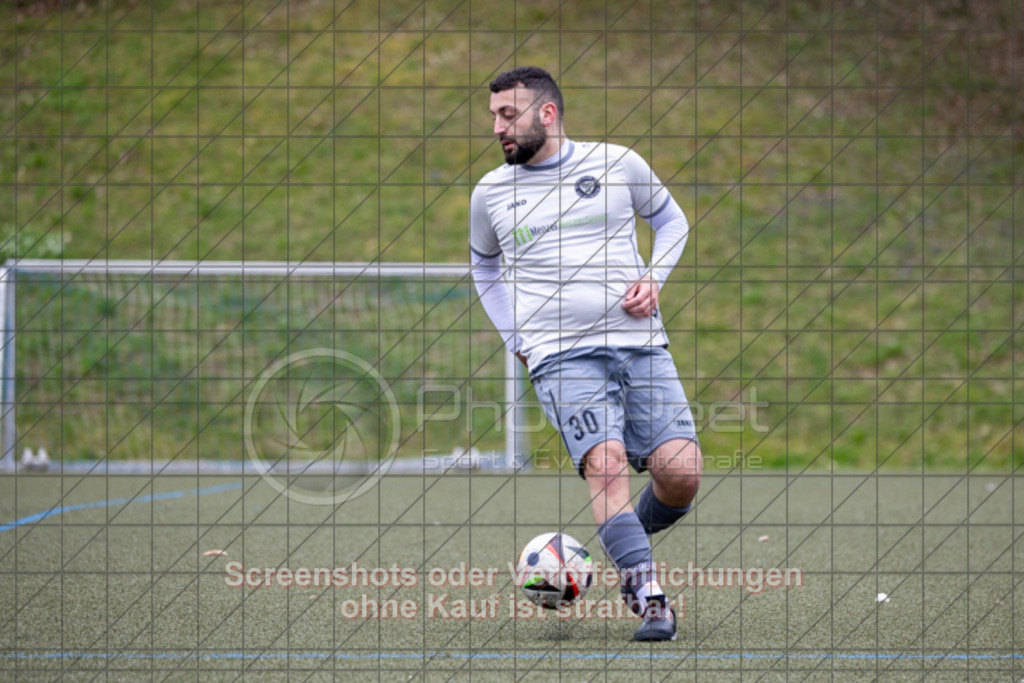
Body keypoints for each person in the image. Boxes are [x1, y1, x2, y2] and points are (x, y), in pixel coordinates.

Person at [469, 66, 702, 643]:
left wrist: (655, 276)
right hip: (558, 356)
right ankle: (649, 596)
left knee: (681, 475)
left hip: (639, 343)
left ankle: (622, 543)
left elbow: (672, 221)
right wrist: (516, 338)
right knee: (607, 466)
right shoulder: (491, 193)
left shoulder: (617, 163)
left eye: (508, 114)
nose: (498, 126)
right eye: (494, 116)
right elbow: (484, 267)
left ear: (546, 114)